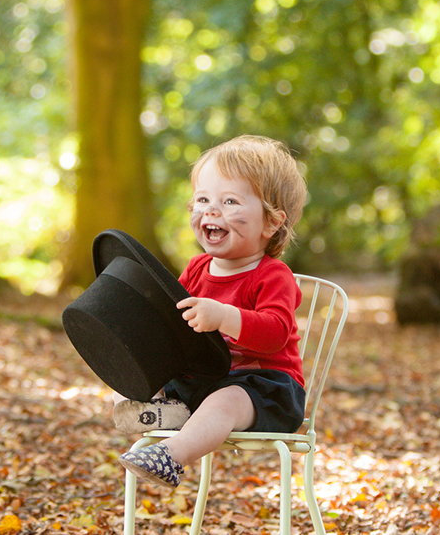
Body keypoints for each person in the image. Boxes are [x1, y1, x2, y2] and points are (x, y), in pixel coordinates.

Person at [114, 135, 308, 488]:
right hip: (206, 380)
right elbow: (175, 326)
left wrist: (223, 316)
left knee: (227, 400)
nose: (210, 210)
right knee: (143, 373)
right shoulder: (197, 269)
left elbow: (276, 332)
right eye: (202, 199)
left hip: (266, 389)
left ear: (271, 223)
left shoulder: (272, 275)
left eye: (230, 201)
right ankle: (160, 411)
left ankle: (171, 456)